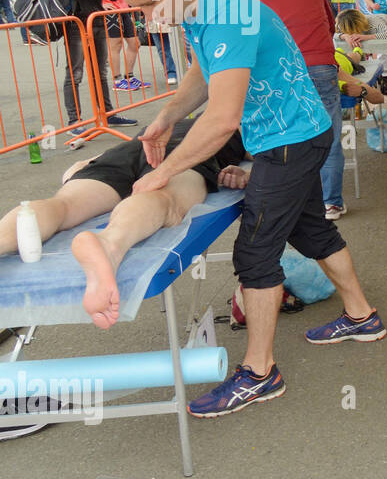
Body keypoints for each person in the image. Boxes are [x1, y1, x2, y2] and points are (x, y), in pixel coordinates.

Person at [113, 0, 384, 418]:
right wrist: (168, 115)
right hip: (294, 134)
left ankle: (259, 373)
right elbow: (205, 71)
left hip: (290, 141)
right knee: (311, 229)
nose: (146, 16)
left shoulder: (226, 13)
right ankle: (362, 316)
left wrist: (166, 173)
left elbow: (221, 119)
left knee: (256, 251)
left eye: (147, 4)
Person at [0, 119, 248, 328]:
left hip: (134, 148)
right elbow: (275, 162)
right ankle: (109, 244)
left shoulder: (182, 116)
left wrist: (92, 161)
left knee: (64, 205)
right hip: (190, 154)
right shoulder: (246, 118)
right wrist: (247, 174)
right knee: (165, 202)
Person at [255, 0, 350, 222]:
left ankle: (294, 202)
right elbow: (331, 26)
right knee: (328, 139)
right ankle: (331, 203)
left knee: (288, 138)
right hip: (321, 67)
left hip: (282, 73)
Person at [17, 0, 138, 131]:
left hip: (95, 22)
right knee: (75, 73)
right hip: (74, 25)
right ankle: (75, 121)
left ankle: (107, 114)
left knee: (100, 71)